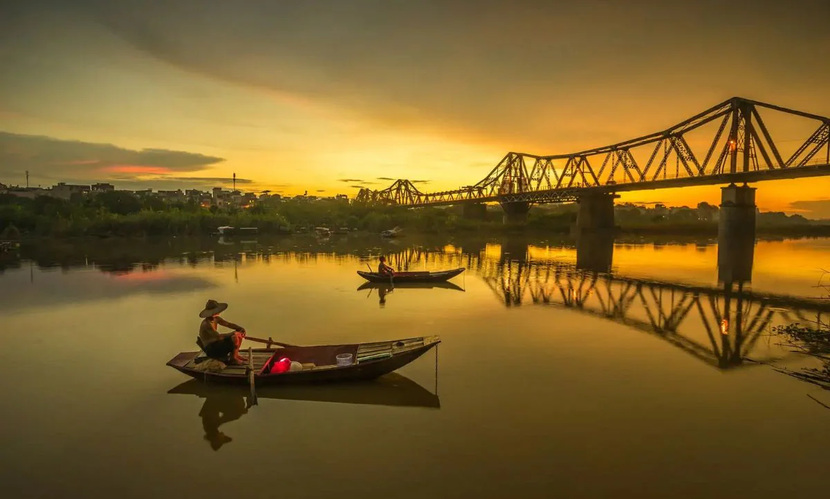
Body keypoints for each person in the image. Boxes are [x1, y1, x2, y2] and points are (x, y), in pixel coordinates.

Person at [198, 299, 247, 364]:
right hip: (211, 348)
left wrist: (239, 328)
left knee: (238, 335)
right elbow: (219, 337)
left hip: (217, 343)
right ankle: (233, 359)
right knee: (234, 337)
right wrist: (233, 333)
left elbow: (228, 324)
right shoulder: (206, 324)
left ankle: (235, 355)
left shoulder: (216, 319)